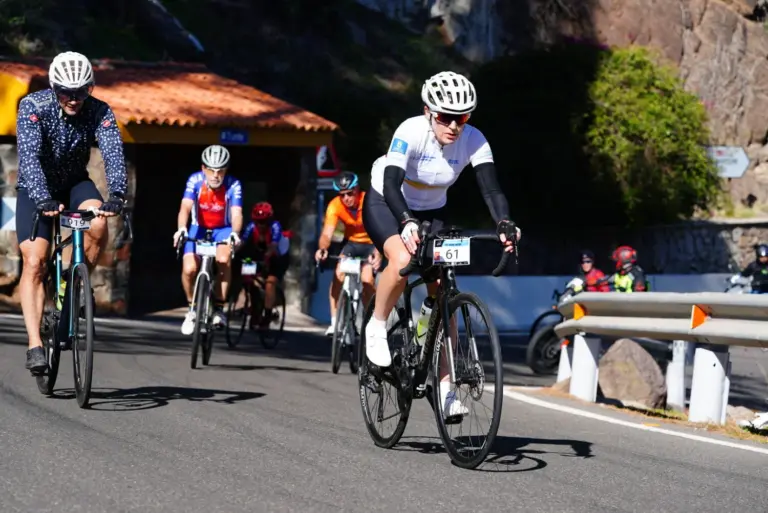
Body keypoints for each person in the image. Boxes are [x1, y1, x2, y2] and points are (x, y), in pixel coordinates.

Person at [361, 70, 519, 418]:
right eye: (446, 117)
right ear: (428, 111)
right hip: (388, 202)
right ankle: (377, 324)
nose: (454, 126)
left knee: (443, 291)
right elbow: (391, 184)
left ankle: (445, 389)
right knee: (402, 257)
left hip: (433, 210)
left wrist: (504, 223)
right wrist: (405, 221)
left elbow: (491, 189)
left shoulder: (474, 139)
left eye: (461, 118)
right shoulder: (409, 131)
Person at [16, 51, 128, 374]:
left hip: (75, 182)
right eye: (66, 92)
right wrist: (42, 198)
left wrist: (117, 194)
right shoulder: (33, 107)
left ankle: (72, 283)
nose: (74, 99)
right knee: (35, 260)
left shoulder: (100, 111)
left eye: (81, 92)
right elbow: (30, 158)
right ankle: (35, 343)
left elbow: (113, 152)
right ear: (54, 88)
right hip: (35, 189)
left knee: (98, 228)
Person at [173, 145, 242, 335]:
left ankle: (219, 307)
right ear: (204, 168)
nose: (215, 175)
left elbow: (236, 214)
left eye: (220, 170)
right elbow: (185, 208)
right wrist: (181, 229)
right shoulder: (194, 180)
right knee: (190, 269)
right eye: (211, 170)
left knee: (223, 260)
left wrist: (235, 233)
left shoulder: (233, 184)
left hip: (223, 229)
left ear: (226, 170)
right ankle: (191, 308)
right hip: (198, 229)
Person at [315, 171, 381, 336]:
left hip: (372, 242)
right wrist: (323, 249)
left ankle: (371, 320)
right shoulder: (335, 205)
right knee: (338, 275)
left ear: (357, 189)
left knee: (367, 280)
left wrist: (379, 252)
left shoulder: (368, 200)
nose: (346, 199)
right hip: (351, 244)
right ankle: (335, 322)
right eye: (342, 195)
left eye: (350, 194)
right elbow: (327, 233)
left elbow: (382, 229)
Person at [240, 202, 286, 329]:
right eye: (258, 222)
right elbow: (242, 242)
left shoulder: (275, 227)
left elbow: (273, 246)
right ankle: (255, 308)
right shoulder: (251, 227)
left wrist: (266, 258)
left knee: (270, 283)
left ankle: (268, 314)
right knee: (250, 279)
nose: (261, 225)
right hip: (261, 255)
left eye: (264, 222)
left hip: (278, 257)